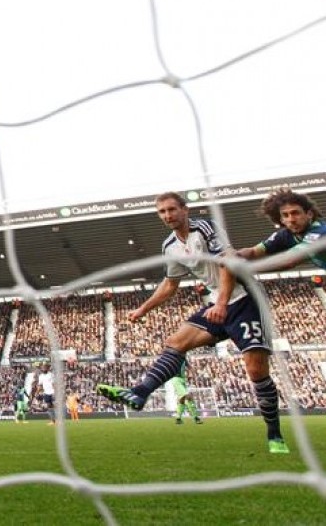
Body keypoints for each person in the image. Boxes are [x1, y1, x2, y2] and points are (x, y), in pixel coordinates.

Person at [96, 192, 289, 454]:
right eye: (162, 212)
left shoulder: (206, 228)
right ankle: (139, 393)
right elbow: (170, 283)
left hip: (245, 301)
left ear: (185, 209)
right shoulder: (170, 246)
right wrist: (143, 309)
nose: (167, 215)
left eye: (172, 209)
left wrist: (221, 303)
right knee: (175, 343)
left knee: (256, 372)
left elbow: (227, 263)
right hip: (216, 304)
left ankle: (275, 435)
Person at [236, 189, 326, 270]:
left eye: (295, 213)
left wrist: (244, 268)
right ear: (282, 220)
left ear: (309, 214)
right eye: (285, 215)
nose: (291, 219)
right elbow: (253, 252)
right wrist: (236, 255)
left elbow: (288, 261)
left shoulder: (320, 231)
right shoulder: (285, 235)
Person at [170, 358, 202, 425]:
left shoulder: (183, 358)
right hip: (176, 379)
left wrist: (192, 373)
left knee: (182, 400)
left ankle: (178, 419)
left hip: (183, 380)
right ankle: (196, 418)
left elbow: (190, 367)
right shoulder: (174, 358)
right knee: (188, 397)